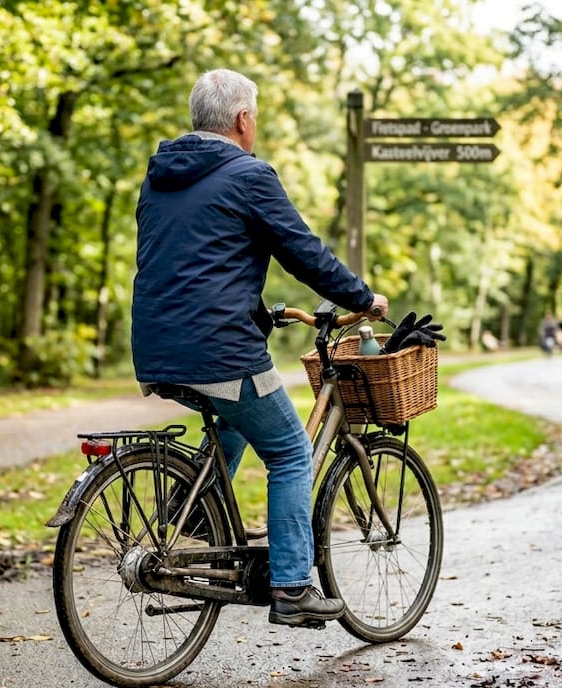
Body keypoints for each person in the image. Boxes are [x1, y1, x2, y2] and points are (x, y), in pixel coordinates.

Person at [131, 69, 389, 628]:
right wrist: (363, 298)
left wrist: (256, 312)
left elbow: (191, 264)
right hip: (218, 348)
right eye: (257, 117)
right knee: (292, 452)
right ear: (243, 120)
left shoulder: (159, 179)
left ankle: (194, 524)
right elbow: (303, 252)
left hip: (156, 345)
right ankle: (293, 587)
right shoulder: (248, 174)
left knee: (231, 420)